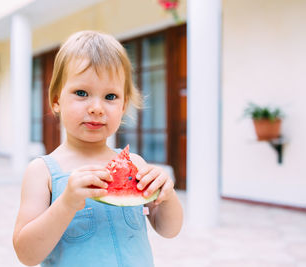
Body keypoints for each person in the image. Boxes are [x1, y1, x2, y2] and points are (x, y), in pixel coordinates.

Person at [13, 30, 183, 267]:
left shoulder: (135, 164)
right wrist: (67, 203)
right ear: (56, 100)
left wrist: (167, 196)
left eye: (110, 96)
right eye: (81, 93)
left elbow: (169, 230)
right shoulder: (42, 172)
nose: (96, 108)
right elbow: (26, 255)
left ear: (123, 106)